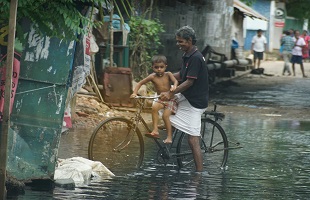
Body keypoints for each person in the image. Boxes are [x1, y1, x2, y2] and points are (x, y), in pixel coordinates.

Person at [160, 25, 209, 172]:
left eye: (181, 42)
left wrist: (170, 93)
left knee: (192, 140)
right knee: (161, 107)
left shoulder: (196, 58)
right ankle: (170, 134)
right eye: (177, 41)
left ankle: (199, 173)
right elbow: (181, 75)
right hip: (187, 96)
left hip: (196, 102)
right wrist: (163, 76)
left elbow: (189, 81)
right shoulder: (187, 55)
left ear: (189, 41)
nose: (178, 44)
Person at [130, 55, 178, 144]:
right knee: (154, 108)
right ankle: (155, 130)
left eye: (161, 67)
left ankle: (169, 137)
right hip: (161, 99)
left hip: (171, 99)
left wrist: (174, 86)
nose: (159, 69)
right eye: (156, 67)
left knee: (165, 116)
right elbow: (140, 83)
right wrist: (134, 93)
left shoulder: (168, 74)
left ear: (165, 67)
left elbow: (175, 81)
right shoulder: (152, 77)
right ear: (152, 67)